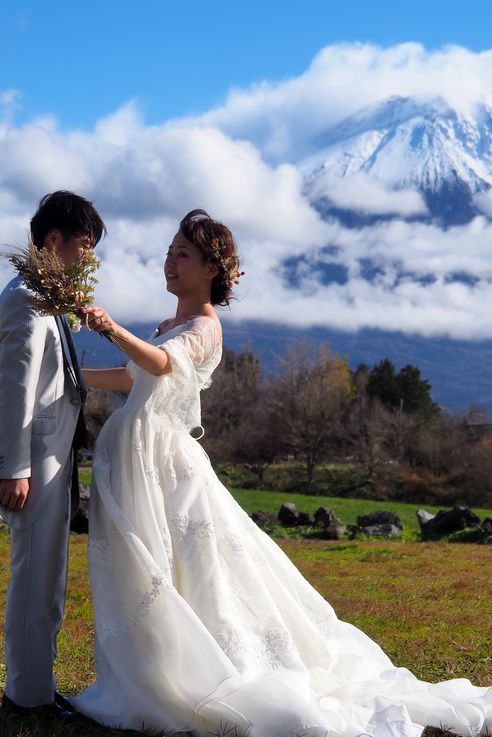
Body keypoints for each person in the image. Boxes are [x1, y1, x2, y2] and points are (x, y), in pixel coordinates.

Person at [72, 210, 491, 737]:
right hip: (137, 457)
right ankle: (149, 668)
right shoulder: (166, 328)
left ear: (210, 270)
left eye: (183, 254)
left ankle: (201, 669)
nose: (170, 263)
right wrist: (72, 372)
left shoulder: (203, 328)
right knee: (147, 564)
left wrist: (111, 328)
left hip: (164, 463)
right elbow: (134, 375)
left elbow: (161, 366)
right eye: (170, 251)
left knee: (189, 566)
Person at [0, 191, 106, 718]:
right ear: (52, 239)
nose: (87, 257)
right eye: (83, 245)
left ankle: (37, 685)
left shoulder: (46, 297)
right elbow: (13, 388)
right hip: (34, 462)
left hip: (56, 459)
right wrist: (13, 467)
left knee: (51, 580)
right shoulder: (23, 298)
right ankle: (25, 695)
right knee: (34, 580)